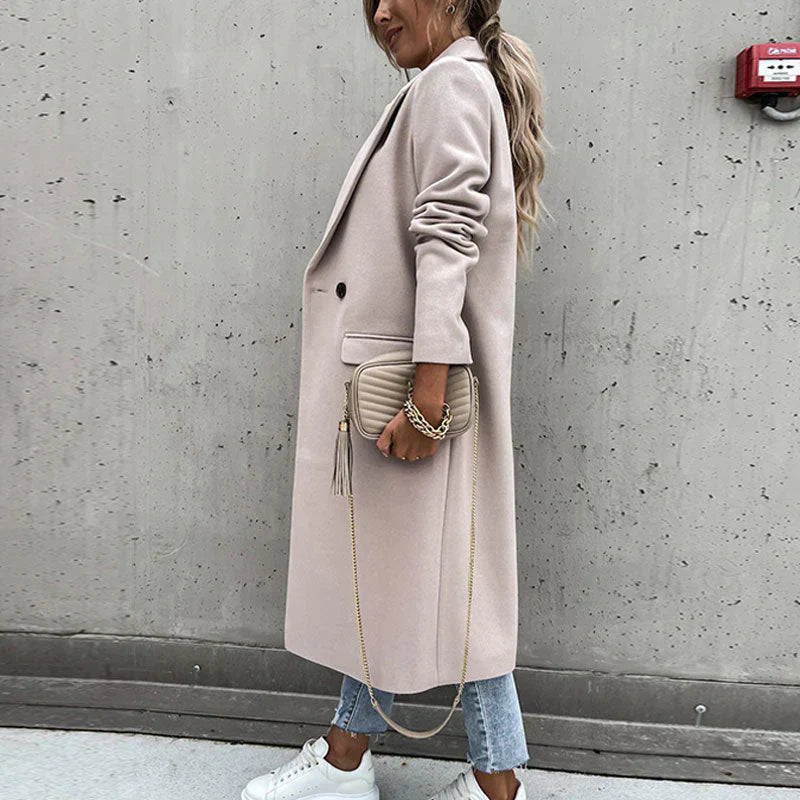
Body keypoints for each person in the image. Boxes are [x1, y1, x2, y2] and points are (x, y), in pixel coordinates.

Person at [242, 1, 549, 799]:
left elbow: (447, 237)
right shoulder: (450, 81)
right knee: (393, 572)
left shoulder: (452, 84)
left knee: (457, 584)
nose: (380, 12)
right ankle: (352, 756)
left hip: (410, 384)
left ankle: (492, 784)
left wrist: (427, 399)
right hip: (400, 375)